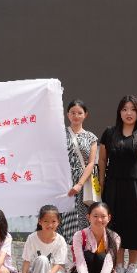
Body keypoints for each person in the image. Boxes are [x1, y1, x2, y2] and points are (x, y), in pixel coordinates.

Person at [99, 95, 137, 273]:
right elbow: (102, 160)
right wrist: (101, 182)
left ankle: (132, 266)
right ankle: (119, 265)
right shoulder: (109, 133)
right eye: (124, 109)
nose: (128, 113)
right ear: (119, 112)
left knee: (136, 224)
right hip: (113, 185)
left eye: (132, 109)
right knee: (115, 224)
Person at [60, 99, 98, 243]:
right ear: (68, 114)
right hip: (63, 181)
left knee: (81, 218)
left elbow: (91, 163)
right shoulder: (60, 134)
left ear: (85, 115)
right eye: (73, 113)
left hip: (84, 182)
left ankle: (81, 251)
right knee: (63, 217)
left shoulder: (91, 137)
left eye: (79, 113)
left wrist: (79, 184)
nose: (76, 116)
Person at [69, 201, 121, 273]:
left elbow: (109, 263)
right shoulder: (79, 235)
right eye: (95, 216)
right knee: (87, 256)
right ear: (88, 217)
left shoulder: (114, 237)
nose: (99, 220)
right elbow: (80, 262)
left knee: (102, 257)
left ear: (109, 218)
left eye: (103, 216)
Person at [21, 205, 68, 273]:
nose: (50, 225)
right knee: (42, 259)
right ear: (40, 221)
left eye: (53, 221)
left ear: (58, 222)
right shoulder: (32, 238)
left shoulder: (60, 240)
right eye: (46, 221)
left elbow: (58, 264)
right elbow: (27, 260)